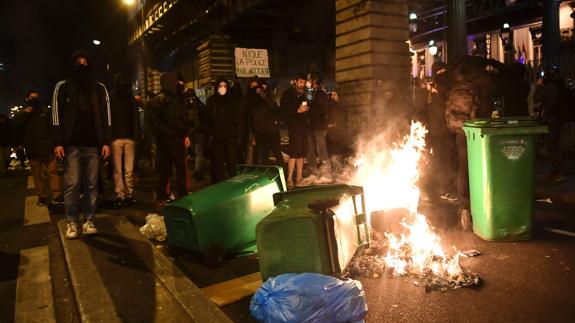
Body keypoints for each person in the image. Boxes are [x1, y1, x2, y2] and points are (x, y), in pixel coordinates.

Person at [51, 50, 111, 239]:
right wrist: (58, 142)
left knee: (92, 184)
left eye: (85, 62)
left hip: (93, 145)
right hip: (72, 146)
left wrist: (106, 142)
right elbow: (56, 116)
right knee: (72, 183)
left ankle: (89, 220)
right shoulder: (63, 87)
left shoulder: (99, 88)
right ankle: (71, 222)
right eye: (78, 62)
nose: (82, 65)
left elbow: (106, 116)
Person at [147, 72, 191, 207]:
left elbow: (151, 122)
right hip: (174, 138)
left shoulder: (155, 100)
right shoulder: (174, 99)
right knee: (180, 168)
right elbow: (177, 120)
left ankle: (161, 196)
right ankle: (182, 195)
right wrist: (184, 132)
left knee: (165, 169)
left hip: (162, 140)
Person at [14, 90, 63, 206]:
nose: (35, 100)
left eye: (36, 98)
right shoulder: (23, 114)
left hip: (47, 148)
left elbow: (52, 128)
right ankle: (42, 196)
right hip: (33, 148)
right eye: (32, 98)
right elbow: (16, 127)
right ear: (27, 99)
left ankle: (56, 195)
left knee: (52, 172)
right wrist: (25, 113)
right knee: (37, 175)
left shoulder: (45, 112)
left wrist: (54, 143)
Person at [427, 62, 457, 202]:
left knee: (443, 159)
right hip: (440, 130)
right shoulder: (437, 87)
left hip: (442, 129)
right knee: (443, 159)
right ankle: (443, 188)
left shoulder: (435, 87)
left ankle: (443, 188)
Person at [109, 72, 139, 208]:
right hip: (124, 137)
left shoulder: (113, 98)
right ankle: (124, 194)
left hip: (120, 138)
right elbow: (136, 118)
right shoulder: (130, 98)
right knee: (125, 170)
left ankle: (124, 195)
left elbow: (136, 118)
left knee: (123, 170)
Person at [206, 77, 243, 183]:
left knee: (231, 161)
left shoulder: (232, 102)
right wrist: (208, 136)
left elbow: (238, 120)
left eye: (224, 86)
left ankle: (232, 183)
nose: (222, 88)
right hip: (217, 137)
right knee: (217, 162)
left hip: (230, 136)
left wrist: (238, 136)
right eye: (220, 86)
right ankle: (219, 184)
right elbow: (207, 120)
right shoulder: (211, 101)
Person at [534, 67, 566, 183]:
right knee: (555, 146)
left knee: (550, 147)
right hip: (557, 119)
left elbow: (536, 98)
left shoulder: (549, 88)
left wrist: (538, 85)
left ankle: (558, 172)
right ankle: (556, 171)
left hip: (552, 120)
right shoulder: (558, 87)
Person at [245, 78, 283, 166]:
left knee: (278, 155)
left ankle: (282, 175)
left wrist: (264, 96)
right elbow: (250, 120)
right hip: (260, 133)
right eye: (252, 86)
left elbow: (274, 107)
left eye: (256, 86)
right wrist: (252, 134)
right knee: (264, 157)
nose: (255, 89)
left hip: (272, 131)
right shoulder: (250, 102)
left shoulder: (266, 97)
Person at [280, 73, 309, 187]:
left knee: (301, 153)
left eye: (303, 82)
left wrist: (306, 110)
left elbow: (306, 109)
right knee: (294, 152)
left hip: (302, 126)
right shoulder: (287, 94)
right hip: (293, 126)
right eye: (300, 82)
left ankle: (299, 178)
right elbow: (284, 111)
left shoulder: (303, 94)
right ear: (296, 81)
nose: (302, 84)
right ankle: (289, 179)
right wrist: (297, 111)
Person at [305, 75, 331, 182]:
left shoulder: (321, 94)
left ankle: (327, 175)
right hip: (311, 126)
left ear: (315, 82)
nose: (308, 82)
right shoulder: (310, 93)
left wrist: (310, 110)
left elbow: (323, 110)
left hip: (319, 127)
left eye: (310, 81)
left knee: (321, 150)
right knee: (310, 150)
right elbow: (309, 101)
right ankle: (313, 173)